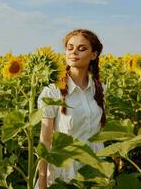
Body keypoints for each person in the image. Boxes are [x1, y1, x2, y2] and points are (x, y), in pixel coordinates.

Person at [36, 29, 106, 188]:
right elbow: (45, 141)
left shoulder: (100, 89)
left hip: (94, 169)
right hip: (65, 171)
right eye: (70, 47)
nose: (74, 52)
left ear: (93, 55)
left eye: (81, 49)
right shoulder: (52, 92)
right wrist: (42, 183)